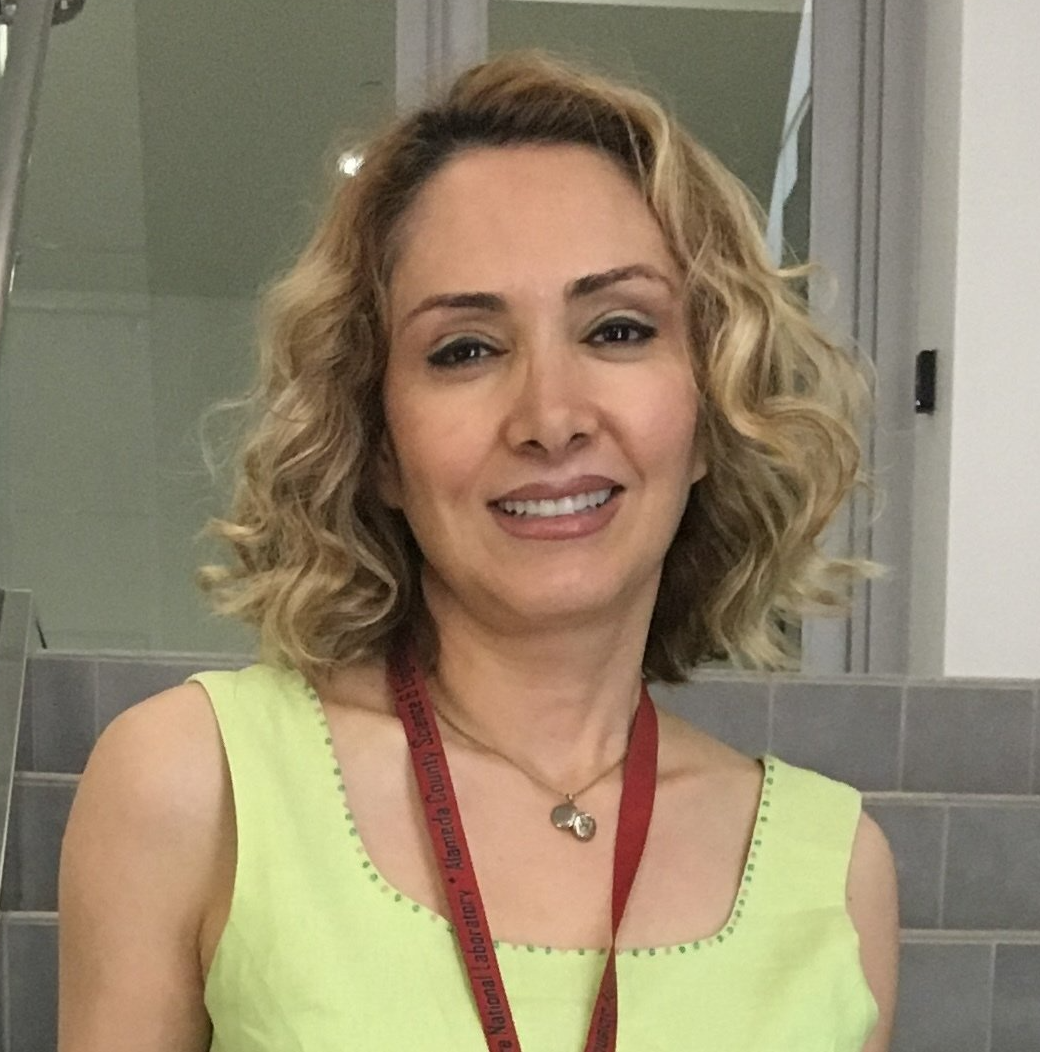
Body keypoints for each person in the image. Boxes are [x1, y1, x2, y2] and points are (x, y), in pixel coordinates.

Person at [59, 50, 898, 1052]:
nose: (549, 416)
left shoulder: (835, 866)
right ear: (375, 439)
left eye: (618, 328)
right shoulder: (192, 782)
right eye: (464, 348)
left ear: (713, 407)